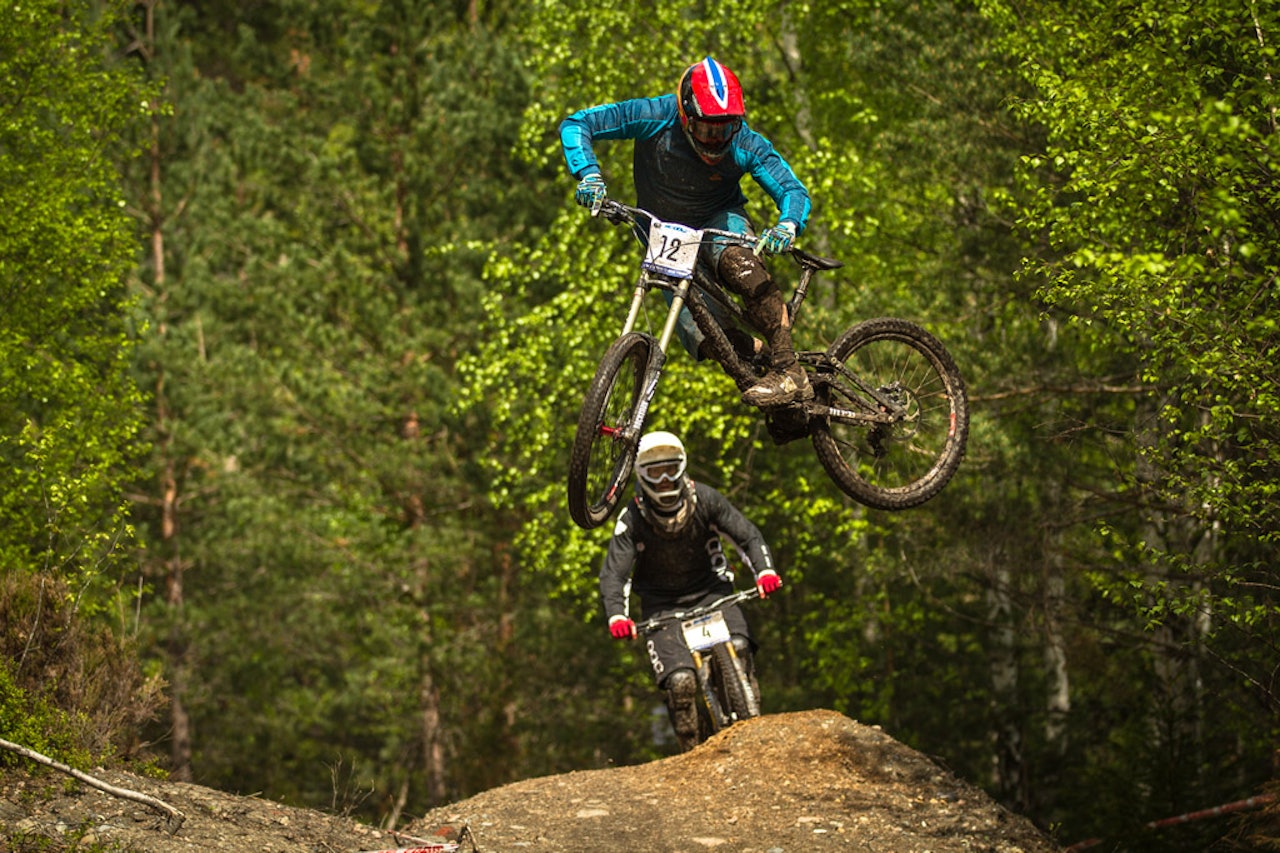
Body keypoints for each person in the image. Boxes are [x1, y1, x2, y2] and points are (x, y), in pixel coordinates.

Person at [560, 57, 814, 407]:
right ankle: (768, 364)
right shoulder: (653, 116)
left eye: (725, 129)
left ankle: (790, 370)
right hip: (663, 234)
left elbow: (792, 190)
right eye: (708, 130)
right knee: (707, 337)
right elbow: (578, 123)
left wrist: (788, 224)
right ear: (684, 116)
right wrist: (588, 174)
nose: (715, 140)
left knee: (741, 267)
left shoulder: (745, 143)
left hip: (719, 220)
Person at [598, 430, 783, 751]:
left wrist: (764, 570)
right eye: (655, 473)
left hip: (714, 593)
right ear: (642, 475)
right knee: (681, 684)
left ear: (683, 467)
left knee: (739, 646)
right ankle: (692, 755)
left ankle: (751, 722)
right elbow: (614, 574)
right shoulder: (632, 519)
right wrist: (617, 616)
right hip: (662, 609)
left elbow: (748, 536)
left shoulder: (706, 499)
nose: (665, 480)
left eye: (671, 469)